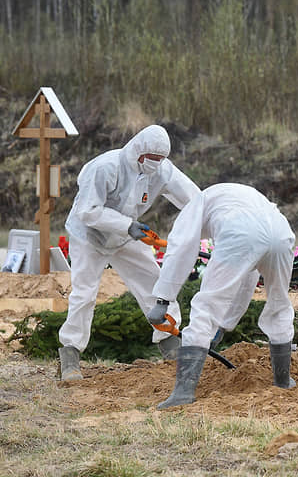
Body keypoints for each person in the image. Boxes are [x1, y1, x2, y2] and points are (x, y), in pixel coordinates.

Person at [58, 125, 200, 381]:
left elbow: (194, 199)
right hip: (89, 236)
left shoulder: (162, 170)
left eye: (160, 160)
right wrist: (127, 225)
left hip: (126, 235)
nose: (155, 164)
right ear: (137, 151)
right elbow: (88, 211)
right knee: (84, 294)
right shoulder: (106, 167)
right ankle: (70, 355)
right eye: (151, 159)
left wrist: (209, 220)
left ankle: (170, 342)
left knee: (155, 284)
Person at [149, 183, 296, 409]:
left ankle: (183, 393)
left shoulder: (196, 207)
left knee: (206, 305)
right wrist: (224, 326)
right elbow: (245, 281)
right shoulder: (233, 201)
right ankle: (283, 381)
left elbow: (179, 250)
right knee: (279, 304)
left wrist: (163, 299)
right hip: (282, 232)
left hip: (241, 231)